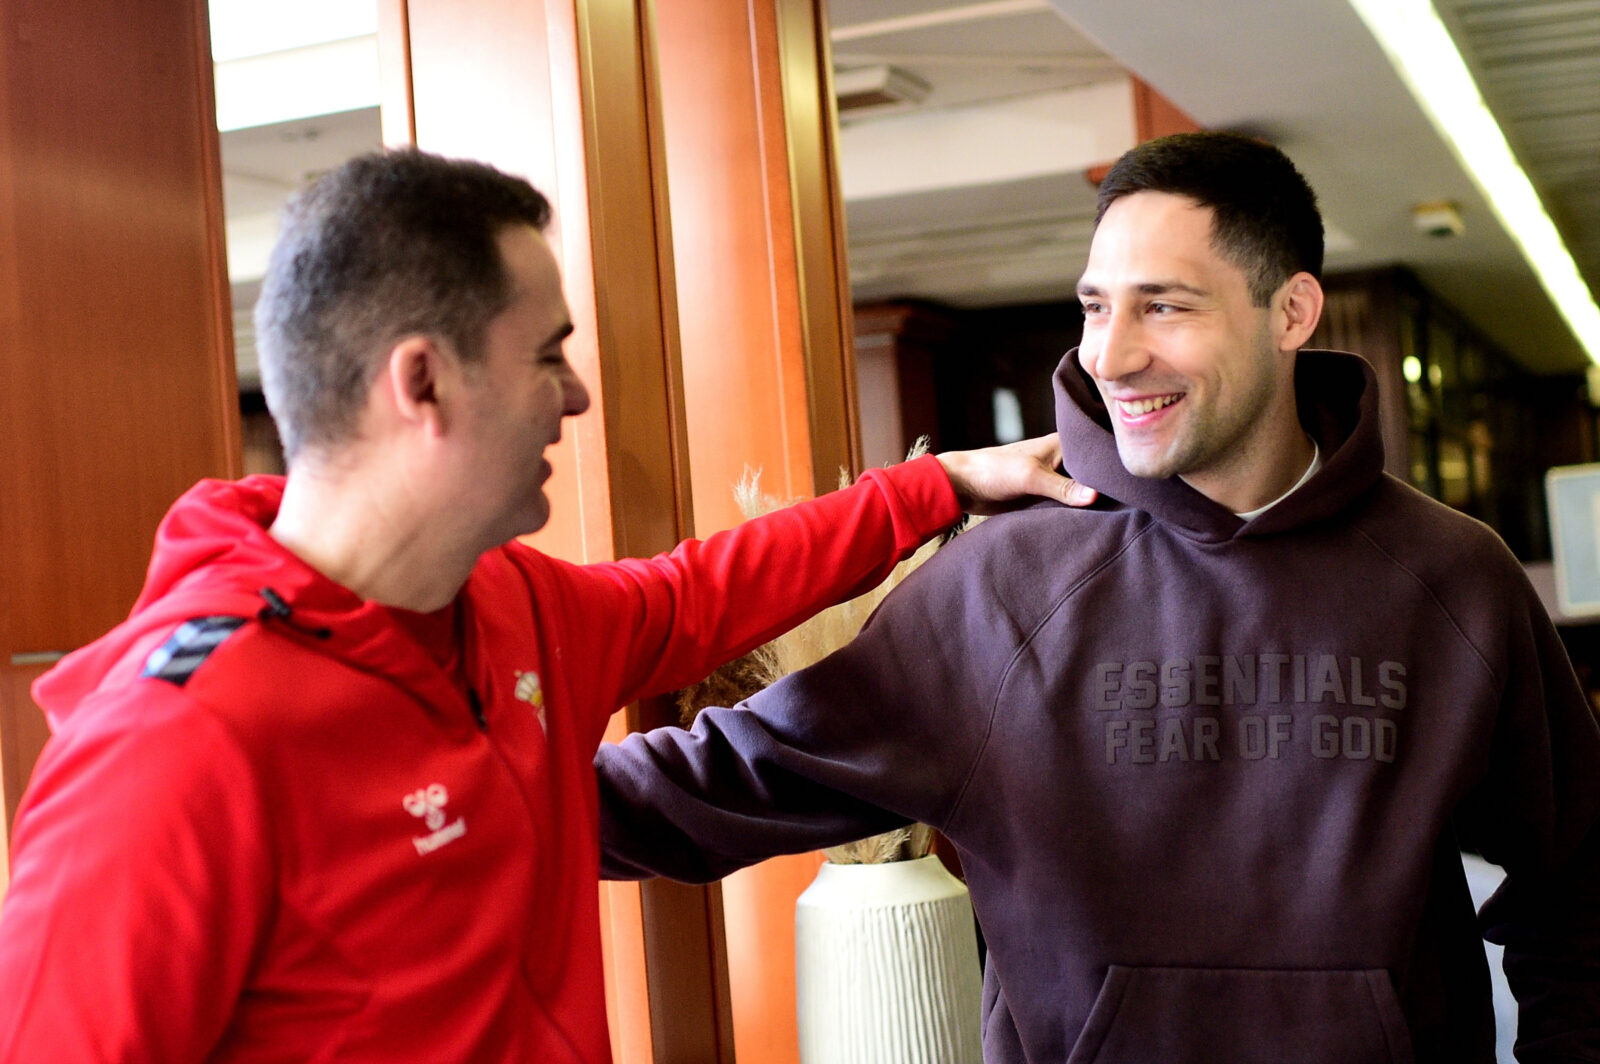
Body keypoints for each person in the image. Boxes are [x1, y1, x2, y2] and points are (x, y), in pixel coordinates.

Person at [0, 149, 1092, 1062]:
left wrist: (936, 485)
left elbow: (694, 592)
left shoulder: (512, 605)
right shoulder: (176, 741)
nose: (574, 395)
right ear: (422, 382)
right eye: (548, 353)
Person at [596, 131, 1600, 1063]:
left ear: (1290, 312)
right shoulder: (1001, 585)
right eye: (1094, 304)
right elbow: (717, 783)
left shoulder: (1456, 577)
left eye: (1163, 304)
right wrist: (463, 798)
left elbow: (1578, 891)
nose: (1110, 354)